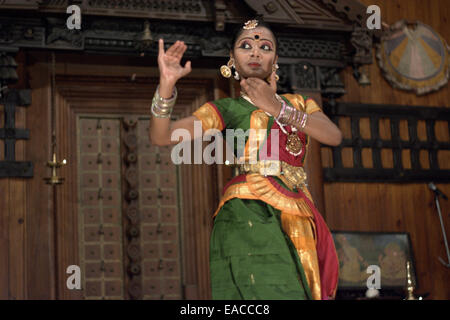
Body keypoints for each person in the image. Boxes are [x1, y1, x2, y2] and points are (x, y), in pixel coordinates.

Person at [150, 18, 342, 300]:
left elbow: (332, 136)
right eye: (245, 46)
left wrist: (277, 108)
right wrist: (166, 85)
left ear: (275, 59)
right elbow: (162, 136)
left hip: (298, 209)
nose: (255, 52)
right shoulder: (226, 108)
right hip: (247, 210)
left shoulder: (299, 103)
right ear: (232, 58)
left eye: (264, 47)